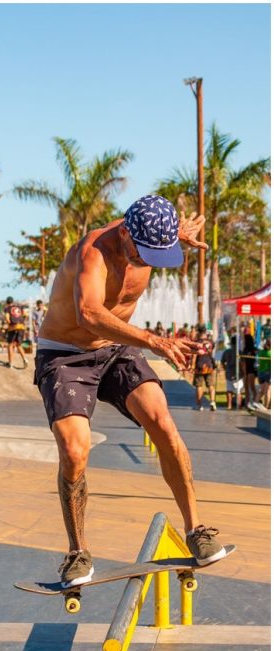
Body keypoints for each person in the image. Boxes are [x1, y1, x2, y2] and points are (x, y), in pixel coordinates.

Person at [33, 194, 227, 588]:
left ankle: (195, 530)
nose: (147, 264)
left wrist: (175, 239)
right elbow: (88, 314)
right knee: (74, 450)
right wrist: (153, 341)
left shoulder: (151, 240)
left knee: (163, 424)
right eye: (143, 253)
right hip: (64, 356)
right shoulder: (93, 252)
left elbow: (160, 242)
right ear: (125, 232)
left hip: (116, 349)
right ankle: (77, 552)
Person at [191, 326, 217, 411]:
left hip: (200, 365)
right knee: (211, 385)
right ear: (205, 332)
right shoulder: (211, 342)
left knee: (199, 386)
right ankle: (212, 402)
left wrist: (192, 366)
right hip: (209, 365)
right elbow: (210, 352)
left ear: (198, 332)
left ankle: (199, 405)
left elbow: (194, 355)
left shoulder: (197, 342)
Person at [2, 296, 29, 369]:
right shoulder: (19, 307)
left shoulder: (7, 309)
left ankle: (10, 363)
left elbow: (7, 319)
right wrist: (22, 321)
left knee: (10, 344)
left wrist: (9, 325)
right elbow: (26, 315)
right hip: (21, 327)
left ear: (7, 302)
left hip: (13, 327)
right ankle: (25, 359)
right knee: (18, 344)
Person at [220, 334, 242, 410]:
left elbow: (222, 361)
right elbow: (242, 363)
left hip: (228, 372)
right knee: (238, 391)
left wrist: (226, 368)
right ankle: (238, 406)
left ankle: (229, 405)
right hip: (238, 373)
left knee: (229, 390)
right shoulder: (239, 352)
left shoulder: (226, 351)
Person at [240, 331, 258, 408]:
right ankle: (247, 403)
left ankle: (255, 401)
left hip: (251, 370)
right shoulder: (244, 349)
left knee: (252, 387)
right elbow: (243, 361)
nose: (243, 341)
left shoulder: (254, 349)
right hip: (245, 370)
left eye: (244, 339)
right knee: (246, 388)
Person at [254, 338, 271, 409]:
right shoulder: (270, 353)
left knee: (262, 391)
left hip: (260, 373)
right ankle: (266, 407)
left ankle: (255, 403)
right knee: (267, 391)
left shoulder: (261, 352)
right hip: (268, 373)